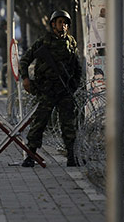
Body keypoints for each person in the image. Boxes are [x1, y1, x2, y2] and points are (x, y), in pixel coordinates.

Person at [19, 10, 82, 167]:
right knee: (40, 123)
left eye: (65, 22)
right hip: (47, 89)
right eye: (60, 22)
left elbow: (77, 66)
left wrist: (74, 84)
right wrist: (25, 79)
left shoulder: (71, 42)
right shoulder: (44, 42)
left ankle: (72, 155)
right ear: (53, 24)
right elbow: (25, 60)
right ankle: (30, 155)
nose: (63, 25)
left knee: (68, 124)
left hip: (64, 89)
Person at [0, 19, 8, 88]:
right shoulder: (3, 33)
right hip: (5, 51)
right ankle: (4, 81)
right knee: (5, 66)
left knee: (4, 65)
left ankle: (3, 80)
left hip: (3, 50)